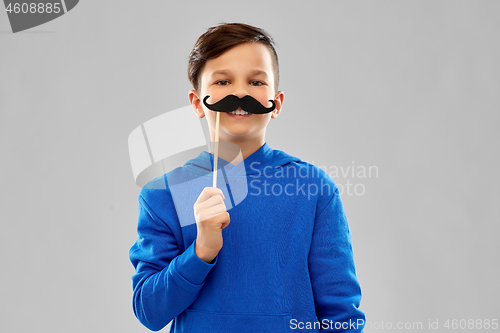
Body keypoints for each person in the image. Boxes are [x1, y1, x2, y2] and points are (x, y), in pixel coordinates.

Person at [129, 22, 366, 332]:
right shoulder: (163, 194)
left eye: (256, 82)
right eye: (223, 81)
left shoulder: (314, 189)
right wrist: (201, 252)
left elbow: (341, 314)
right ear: (197, 103)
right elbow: (150, 312)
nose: (240, 92)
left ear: (277, 103)